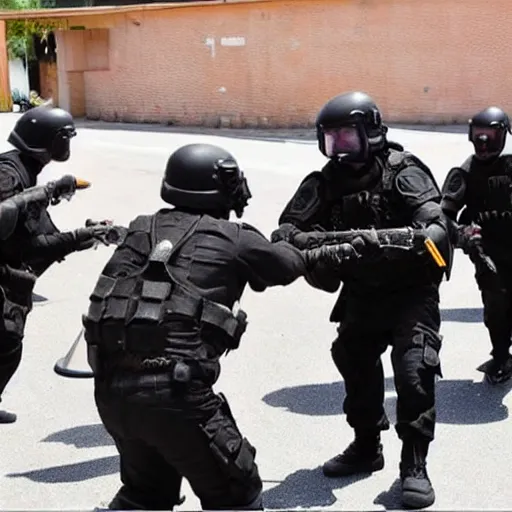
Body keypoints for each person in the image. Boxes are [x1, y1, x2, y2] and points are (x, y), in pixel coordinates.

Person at [81, 142, 373, 511]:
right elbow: (284, 265)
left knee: (146, 494)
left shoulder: (142, 229)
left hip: (111, 392)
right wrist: (315, 249)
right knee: (238, 492)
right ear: (220, 185)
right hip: (177, 394)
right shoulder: (233, 236)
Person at [271, 92, 452, 509]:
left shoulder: (402, 172)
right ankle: (366, 445)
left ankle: (414, 463)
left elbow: (435, 224)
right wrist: (323, 245)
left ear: (371, 132)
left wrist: (405, 240)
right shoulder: (325, 181)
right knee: (353, 362)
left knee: (413, 372)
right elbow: (285, 231)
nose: (339, 148)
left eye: (347, 138)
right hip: (362, 292)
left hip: (410, 292)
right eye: (331, 140)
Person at [0, 106, 107, 423]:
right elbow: (19, 240)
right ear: (51, 139)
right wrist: (76, 237)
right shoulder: (9, 173)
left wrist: (85, 235)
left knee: (7, 344)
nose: (68, 144)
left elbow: (38, 236)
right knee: (6, 342)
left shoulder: (24, 168)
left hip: (11, 275)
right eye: (65, 137)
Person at [441, 106, 512, 384]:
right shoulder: (463, 173)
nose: (484, 142)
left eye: (491, 135)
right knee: (496, 305)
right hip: (488, 252)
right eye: (479, 135)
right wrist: (462, 234)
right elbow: (441, 216)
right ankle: (501, 355)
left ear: (503, 136)